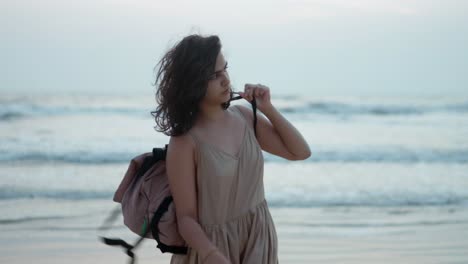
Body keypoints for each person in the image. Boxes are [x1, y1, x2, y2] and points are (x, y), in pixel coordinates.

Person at [152, 34, 311, 264]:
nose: (226, 80)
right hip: (210, 250)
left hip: (258, 240)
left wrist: (268, 108)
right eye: (214, 76)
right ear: (193, 82)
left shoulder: (246, 117)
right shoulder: (185, 142)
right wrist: (212, 255)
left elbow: (300, 152)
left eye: (224, 69)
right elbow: (186, 219)